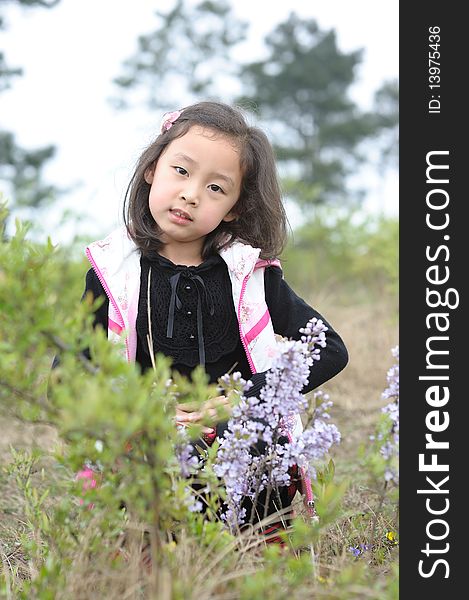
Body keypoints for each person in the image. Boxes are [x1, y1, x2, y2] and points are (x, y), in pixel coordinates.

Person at [81, 100, 348, 532]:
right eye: (181, 172)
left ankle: (250, 555)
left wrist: (245, 398)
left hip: (241, 456)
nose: (191, 193)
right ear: (152, 168)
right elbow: (72, 369)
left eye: (216, 188)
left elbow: (331, 349)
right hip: (153, 450)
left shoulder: (249, 276)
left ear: (235, 208)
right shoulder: (112, 273)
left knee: (263, 445)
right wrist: (138, 406)